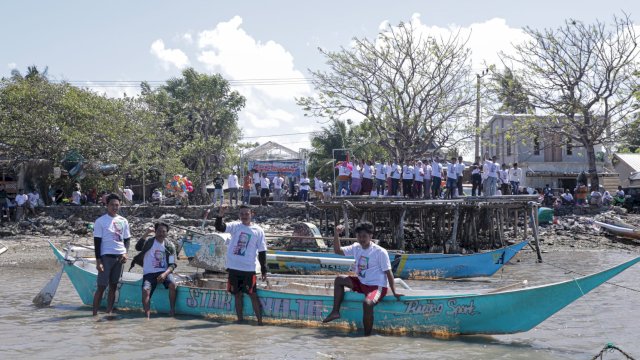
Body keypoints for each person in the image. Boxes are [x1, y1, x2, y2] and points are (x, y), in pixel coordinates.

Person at [322, 221, 402, 336]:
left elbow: (389, 273)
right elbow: (337, 251)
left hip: (377, 286)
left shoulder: (380, 252)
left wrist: (394, 291)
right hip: (361, 283)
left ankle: (367, 336)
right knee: (339, 279)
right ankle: (335, 312)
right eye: (359, 236)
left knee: (367, 303)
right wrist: (336, 234)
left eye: (364, 236)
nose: (361, 239)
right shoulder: (356, 247)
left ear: (371, 236)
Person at [215, 204, 267, 325]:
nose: (244, 216)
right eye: (242, 214)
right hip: (234, 268)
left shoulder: (258, 230)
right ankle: (240, 321)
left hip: (249, 268)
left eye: (246, 214)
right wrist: (220, 214)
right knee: (237, 295)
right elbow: (220, 227)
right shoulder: (235, 226)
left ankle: (260, 322)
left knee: (253, 295)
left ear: (251, 214)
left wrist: (264, 270)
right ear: (239, 215)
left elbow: (262, 251)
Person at [92, 193, 131, 316]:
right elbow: (97, 242)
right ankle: (94, 314)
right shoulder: (100, 221)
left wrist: (125, 252)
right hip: (106, 257)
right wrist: (98, 262)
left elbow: (127, 239)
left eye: (117, 205)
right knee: (102, 286)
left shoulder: (123, 221)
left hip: (119, 258)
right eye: (112, 205)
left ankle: (109, 312)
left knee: (114, 286)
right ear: (107, 205)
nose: (114, 207)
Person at [132, 222, 177, 318]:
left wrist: (165, 274)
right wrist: (146, 233)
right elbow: (138, 247)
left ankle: (172, 310)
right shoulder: (149, 242)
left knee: (173, 285)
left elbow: (173, 264)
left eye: (164, 231)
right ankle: (147, 316)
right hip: (149, 273)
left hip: (163, 272)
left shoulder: (170, 246)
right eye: (159, 231)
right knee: (145, 290)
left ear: (167, 233)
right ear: (155, 232)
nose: (161, 233)